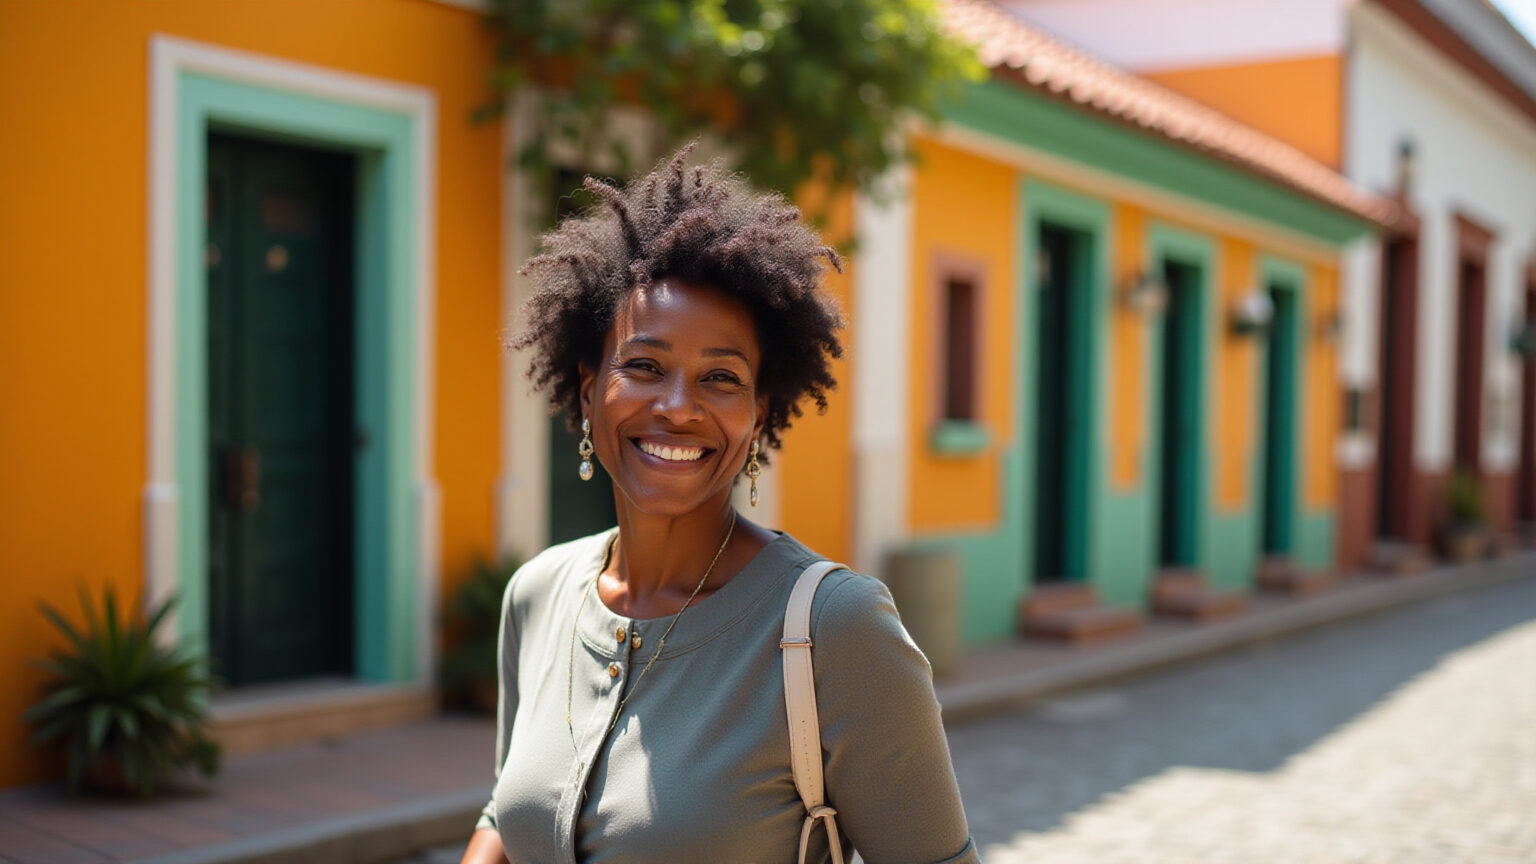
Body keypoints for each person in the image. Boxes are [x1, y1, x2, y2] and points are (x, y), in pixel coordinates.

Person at [461, 145, 979, 864]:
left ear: (760, 416)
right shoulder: (540, 596)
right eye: (644, 366)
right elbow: (506, 817)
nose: (677, 408)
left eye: (721, 378)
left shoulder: (836, 629)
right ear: (589, 391)